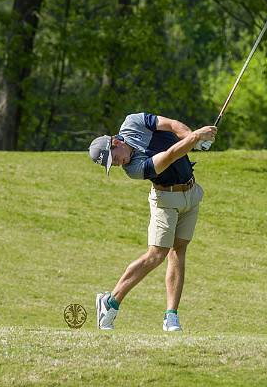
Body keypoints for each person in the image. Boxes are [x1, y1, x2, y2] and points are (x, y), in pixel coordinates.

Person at [88, 113, 217, 331]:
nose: (118, 164)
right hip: (165, 200)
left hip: (191, 193)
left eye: (114, 158)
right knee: (157, 254)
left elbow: (172, 125)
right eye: (112, 165)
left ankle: (171, 316)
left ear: (116, 142)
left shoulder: (132, 122)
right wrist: (195, 138)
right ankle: (110, 302)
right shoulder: (133, 169)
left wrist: (195, 139)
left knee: (179, 250)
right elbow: (169, 156)